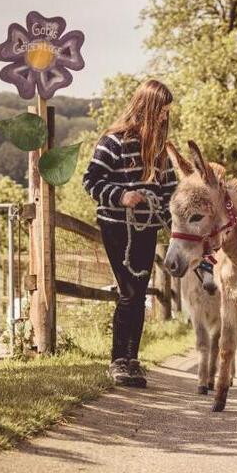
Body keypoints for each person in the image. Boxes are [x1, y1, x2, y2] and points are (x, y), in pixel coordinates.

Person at [82, 79, 177, 388]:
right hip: (116, 225)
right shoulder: (114, 141)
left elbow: (169, 192)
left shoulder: (160, 149)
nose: (164, 117)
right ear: (148, 107)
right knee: (130, 291)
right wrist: (122, 195)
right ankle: (118, 359)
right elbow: (92, 181)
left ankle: (132, 359)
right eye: (161, 110)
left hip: (147, 227)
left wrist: (176, 223)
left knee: (138, 289)